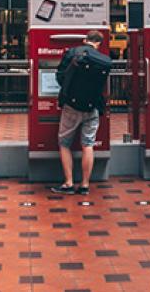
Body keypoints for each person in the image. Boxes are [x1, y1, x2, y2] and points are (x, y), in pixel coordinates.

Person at [49, 30, 111, 196]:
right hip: (92, 107)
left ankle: (68, 183)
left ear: (85, 40)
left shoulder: (73, 52)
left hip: (72, 106)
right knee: (88, 144)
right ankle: (84, 185)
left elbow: (60, 77)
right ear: (99, 43)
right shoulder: (103, 60)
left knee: (64, 143)